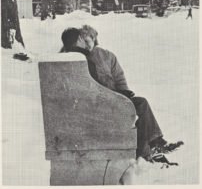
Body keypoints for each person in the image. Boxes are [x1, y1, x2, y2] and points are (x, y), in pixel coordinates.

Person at [60, 26, 183, 162]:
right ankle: (151, 148)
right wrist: (121, 96)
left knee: (136, 108)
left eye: (89, 41)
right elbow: (94, 89)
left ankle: (153, 148)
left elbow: (116, 79)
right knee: (140, 104)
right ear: (79, 40)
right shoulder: (83, 59)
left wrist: (123, 93)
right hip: (99, 106)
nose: (87, 44)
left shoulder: (89, 56)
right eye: (84, 40)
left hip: (98, 103)